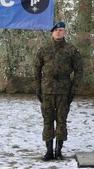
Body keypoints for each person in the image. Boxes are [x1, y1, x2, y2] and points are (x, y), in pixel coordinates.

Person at [34, 21, 83, 160]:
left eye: (61, 30)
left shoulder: (71, 50)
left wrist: (73, 90)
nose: (58, 32)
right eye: (56, 30)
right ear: (52, 32)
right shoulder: (43, 49)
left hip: (64, 90)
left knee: (61, 120)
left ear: (64, 32)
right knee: (48, 120)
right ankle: (49, 151)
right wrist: (38, 87)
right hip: (47, 89)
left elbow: (79, 70)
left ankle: (58, 150)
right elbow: (36, 69)